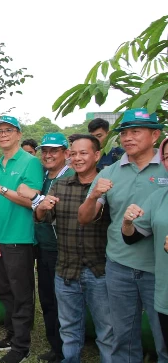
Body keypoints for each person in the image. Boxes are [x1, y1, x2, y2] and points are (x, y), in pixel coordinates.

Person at [78, 108, 168, 362]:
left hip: (159, 269)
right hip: (119, 267)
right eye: (124, 133)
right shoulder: (110, 173)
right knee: (123, 337)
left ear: (155, 136)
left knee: (164, 340)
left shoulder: (166, 169)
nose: (128, 138)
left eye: (135, 132)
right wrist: (94, 195)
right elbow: (84, 218)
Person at [35, 135, 113, 362]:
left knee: (106, 330)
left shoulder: (106, 185)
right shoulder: (60, 185)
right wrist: (41, 208)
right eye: (74, 153)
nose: (78, 158)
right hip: (66, 270)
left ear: (97, 155)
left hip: (99, 270)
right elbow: (43, 217)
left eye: (84, 153)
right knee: (69, 329)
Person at [0, 115, 44, 363]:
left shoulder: (31, 163)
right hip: (1, 239)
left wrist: (2, 189)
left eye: (8, 130)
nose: (3, 135)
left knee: (21, 293)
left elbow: (32, 202)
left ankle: (21, 346)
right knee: (6, 291)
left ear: (19, 134)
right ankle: (11, 335)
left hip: (20, 239)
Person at [17, 133, 73, 363]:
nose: (48, 155)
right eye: (45, 151)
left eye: (54, 151)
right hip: (44, 247)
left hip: (63, 249)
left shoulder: (70, 177)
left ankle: (66, 351)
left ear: (65, 154)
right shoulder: (45, 177)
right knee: (48, 298)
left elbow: (59, 209)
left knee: (64, 301)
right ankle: (56, 347)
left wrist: (35, 197)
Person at [122, 135, 168, 351]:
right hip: (165, 294)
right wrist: (127, 222)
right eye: (166, 157)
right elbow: (132, 238)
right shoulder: (160, 197)